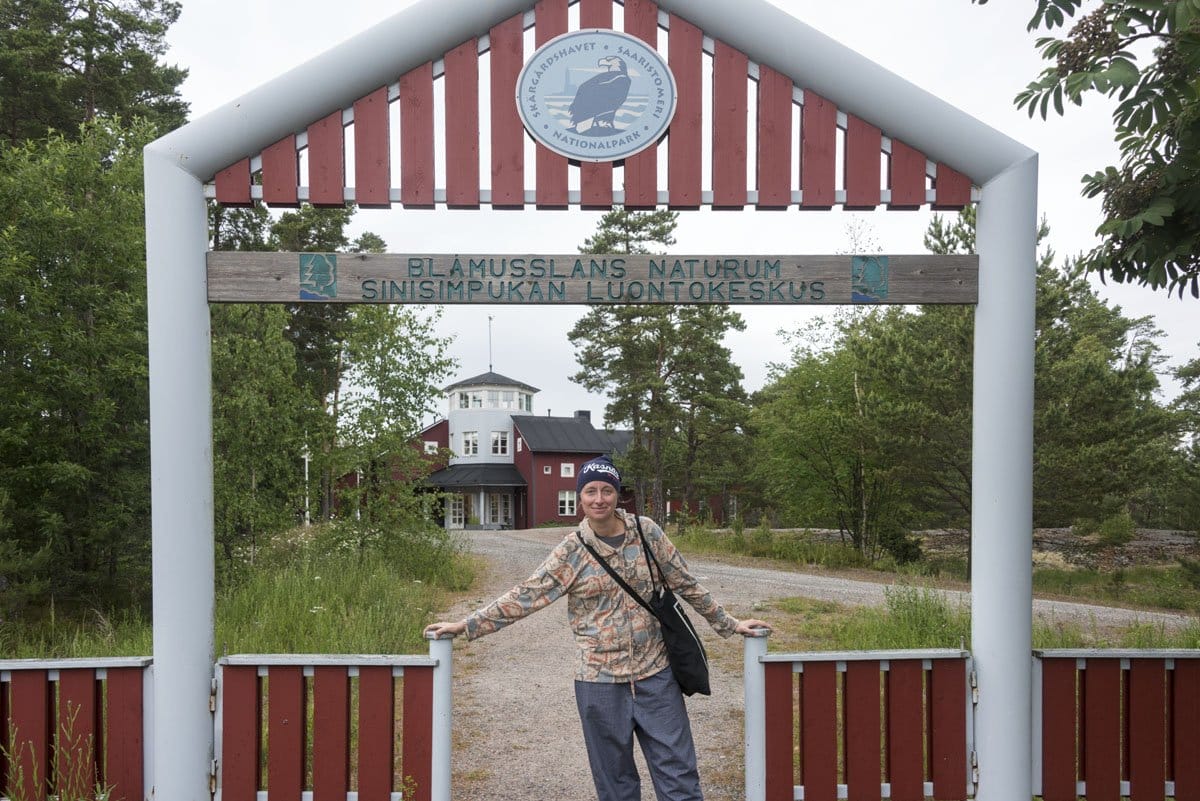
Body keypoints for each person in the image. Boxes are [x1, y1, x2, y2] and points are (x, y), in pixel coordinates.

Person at [424, 455, 771, 801]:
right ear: (580, 497)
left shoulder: (646, 532)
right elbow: (526, 596)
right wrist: (466, 626)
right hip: (598, 682)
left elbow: (686, 582)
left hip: (657, 675)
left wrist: (730, 624)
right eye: (590, 491)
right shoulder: (571, 551)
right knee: (615, 784)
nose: (599, 498)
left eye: (607, 490)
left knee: (679, 776)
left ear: (618, 494)